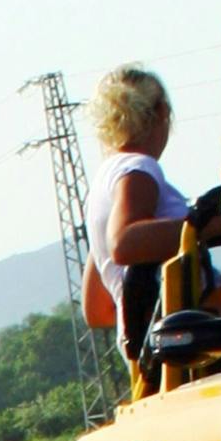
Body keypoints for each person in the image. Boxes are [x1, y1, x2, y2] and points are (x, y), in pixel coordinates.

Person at [80, 67, 191, 354]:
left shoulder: (104, 183)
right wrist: (202, 226)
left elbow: (96, 310)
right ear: (163, 112)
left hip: (148, 349)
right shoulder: (140, 168)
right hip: (187, 342)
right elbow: (124, 242)